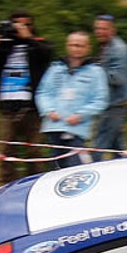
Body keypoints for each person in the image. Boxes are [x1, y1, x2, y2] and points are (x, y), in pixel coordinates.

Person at [0, 10, 53, 184]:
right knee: (6, 150)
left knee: (34, 150)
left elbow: (46, 54)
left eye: (25, 24)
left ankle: (37, 183)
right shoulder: (6, 46)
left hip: (31, 106)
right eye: (16, 24)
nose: (20, 28)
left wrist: (28, 38)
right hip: (8, 105)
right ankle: (8, 185)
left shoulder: (38, 44)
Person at [35, 31, 108, 170]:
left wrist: (81, 115)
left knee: (77, 168)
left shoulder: (95, 72)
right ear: (67, 46)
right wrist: (48, 110)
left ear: (88, 48)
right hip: (53, 127)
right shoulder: (56, 68)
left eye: (80, 45)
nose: (76, 48)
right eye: (73, 45)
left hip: (77, 130)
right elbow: (42, 92)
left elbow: (100, 100)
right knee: (56, 169)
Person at [91, 13, 127, 159]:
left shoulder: (118, 49)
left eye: (103, 29)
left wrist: (94, 70)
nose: (99, 32)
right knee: (117, 147)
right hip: (110, 104)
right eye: (97, 29)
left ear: (112, 30)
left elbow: (118, 78)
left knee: (99, 145)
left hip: (115, 104)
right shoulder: (106, 47)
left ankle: (93, 172)